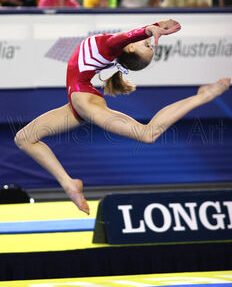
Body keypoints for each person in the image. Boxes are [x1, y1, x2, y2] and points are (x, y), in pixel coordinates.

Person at [14, 19, 231, 215]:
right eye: (149, 45)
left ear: (130, 47)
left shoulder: (111, 45)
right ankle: (69, 183)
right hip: (78, 102)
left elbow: (129, 36)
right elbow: (131, 36)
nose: (150, 42)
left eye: (147, 45)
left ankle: (204, 96)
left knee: (147, 134)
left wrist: (149, 29)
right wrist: (157, 24)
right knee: (24, 138)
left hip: (84, 101)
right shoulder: (114, 49)